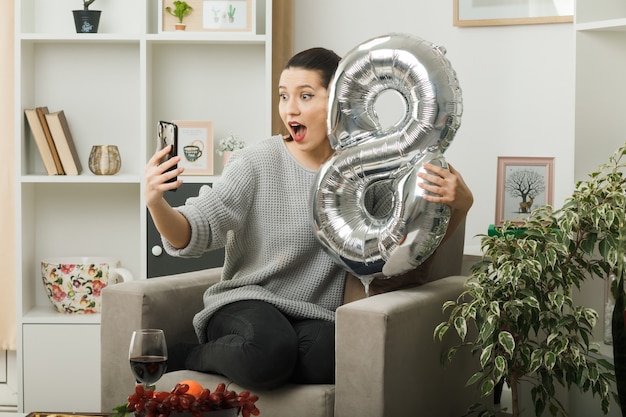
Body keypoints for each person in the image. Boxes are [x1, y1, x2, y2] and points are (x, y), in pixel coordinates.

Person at [144, 47, 473, 390]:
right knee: (268, 351)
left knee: (333, 359)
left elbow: (401, 253)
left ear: (341, 103)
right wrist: (156, 203)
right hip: (246, 304)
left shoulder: (365, 173)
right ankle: (190, 354)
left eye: (305, 96)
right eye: (284, 96)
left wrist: (460, 206)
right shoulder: (257, 161)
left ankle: (268, 362)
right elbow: (196, 228)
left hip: (312, 316)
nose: (290, 109)